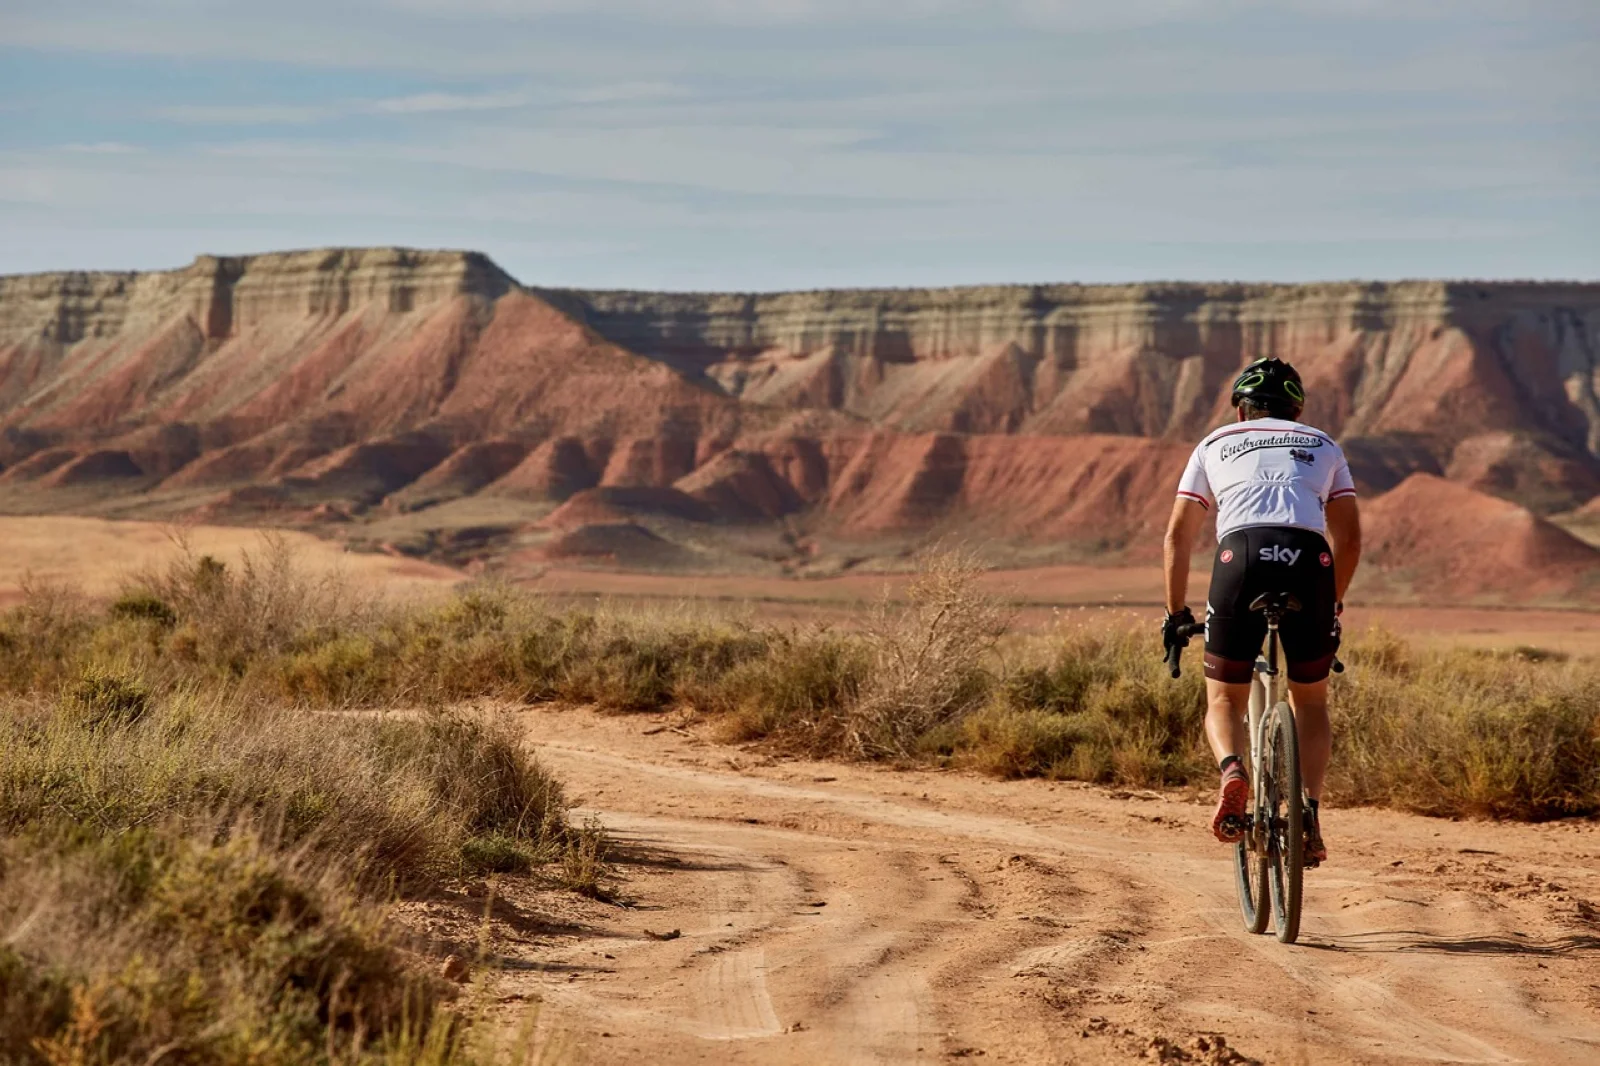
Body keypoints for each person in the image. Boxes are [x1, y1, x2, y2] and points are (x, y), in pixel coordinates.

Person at [1160, 357, 1362, 867]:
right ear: (1296, 410)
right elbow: (1350, 537)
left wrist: (1175, 611)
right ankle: (1309, 813)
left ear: (1239, 411)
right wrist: (1331, 602)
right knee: (1311, 702)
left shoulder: (1213, 444)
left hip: (1240, 558)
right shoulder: (1323, 445)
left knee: (1224, 697)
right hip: (1308, 562)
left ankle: (1232, 771)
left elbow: (1177, 536)